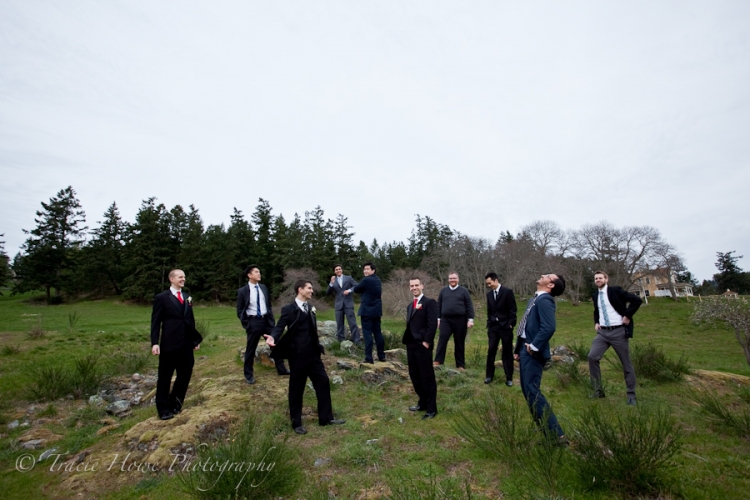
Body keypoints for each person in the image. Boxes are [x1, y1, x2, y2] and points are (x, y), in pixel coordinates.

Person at [264, 280, 345, 434]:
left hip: (314, 355)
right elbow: (280, 325)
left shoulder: (310, 308)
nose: (311, 291)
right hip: (297, 356)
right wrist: (273, 337)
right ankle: (297, 423)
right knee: (296, 389)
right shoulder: (288, 309)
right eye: (309, 288)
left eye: (311, 288)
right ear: (300, 290)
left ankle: (326, 418)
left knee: (323, 382)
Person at [515, 273, 567, 443]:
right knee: (528, 391)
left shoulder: (545, 300)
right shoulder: (534, 299)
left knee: (532, 391)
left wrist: (534, 346)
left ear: (551, 285)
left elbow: (549, 327)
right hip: (524, 349)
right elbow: (525, 326)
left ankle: (557, 435)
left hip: (533, 352)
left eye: (548, 276)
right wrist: (517, 349)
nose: (543, 274)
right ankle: (547, 432)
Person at [150, 269, 202, 420]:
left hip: (186, 343)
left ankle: (176, 403)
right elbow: (155, 322)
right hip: (169, 343)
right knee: (165, 376)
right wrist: (155, 343)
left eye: (184, 277)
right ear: (172, 279)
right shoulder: (161, 298)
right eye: (180, 277)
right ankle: (163, 409)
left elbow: (190, 320)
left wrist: (194, 340)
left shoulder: (187, 297)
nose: (183, 279)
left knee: (185, 374)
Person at [588, 270, 643, 405]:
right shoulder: (595, 295)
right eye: (596, 278)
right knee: (592, 356)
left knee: (626, 363)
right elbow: (597, 311)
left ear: (606, 279)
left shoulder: (615, 291)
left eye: (600, 278)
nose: (598, 280)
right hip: (603, 333)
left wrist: (628, 315)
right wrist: (596, 322)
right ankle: (598, 391)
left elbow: (637, 300)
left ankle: (631, 396)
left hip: (618, 331)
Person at [236, 265, 289, 384]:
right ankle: (248, 375)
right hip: (253, 322)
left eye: (259, 271)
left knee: (276, 344)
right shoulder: (243, 291)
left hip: (267, 321)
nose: (259, 273)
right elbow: (240, 310)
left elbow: (268, 305)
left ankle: (282, 369)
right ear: (249, 275)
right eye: (256, 272)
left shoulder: (264, 288)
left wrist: (271, 319)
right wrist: (247, 323)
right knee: (251, 348)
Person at [402, 277, 439, 419]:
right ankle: (422, 402)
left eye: (417, 285)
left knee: (427, 377)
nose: (414, 287)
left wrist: (427, 341)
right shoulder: (410, 305)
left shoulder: (430, 303)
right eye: (412, 285)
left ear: (422, 286)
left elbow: (432, 324)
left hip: (423, 345)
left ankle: (431, 409)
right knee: (414, 375)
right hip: (411, 345)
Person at [433, 272, 475, 370]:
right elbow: (438, 305)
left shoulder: (464, 291)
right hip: (446, 320)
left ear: (458, 279)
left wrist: (470, 319)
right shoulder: (443, 291)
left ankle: (460, 364)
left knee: (459, 342)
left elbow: (469, 305)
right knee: (442, 339)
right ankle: (438, 361)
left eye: (454, 278)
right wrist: (438, 318)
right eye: (451, 278)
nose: (452, 280)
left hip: (460, 320)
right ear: (448, 280)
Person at [484, 272, 518, 386]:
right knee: (491, 351)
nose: (489, 285)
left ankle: (509, 377)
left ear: (496, 280)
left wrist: (511, 324)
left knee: (507, 353)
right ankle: (489, 376)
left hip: (505, 327)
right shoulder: (489, 295)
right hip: (493, 327)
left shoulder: (507, 292)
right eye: (487, 284)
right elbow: (489, 311)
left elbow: (513, 310)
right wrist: (489, 322)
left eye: (490, 283)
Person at [351, 262, 385, 364]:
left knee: (367, 334)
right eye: (364, 269)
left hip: (367, 311)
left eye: (368, 269)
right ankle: (381, 356)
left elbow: (356, 289)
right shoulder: (378, 280)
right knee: (378, 333)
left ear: (373, 270)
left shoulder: (366, 280)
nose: (365, 271)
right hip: (377, 311)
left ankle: (369, 357)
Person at [326, 264, 361, 343]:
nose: (338, 270)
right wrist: (331, 283)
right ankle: (341, 341)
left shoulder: (348, 278)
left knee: (352, 323)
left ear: (342, 270)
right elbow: (327, 292)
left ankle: (357, 341)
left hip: (348, 304)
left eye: (339, 269)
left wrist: (349, 290)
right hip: (338, 305)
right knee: (339, 324)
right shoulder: (333, 281)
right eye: (336, 269)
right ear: (334, 271)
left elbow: (357, 286)